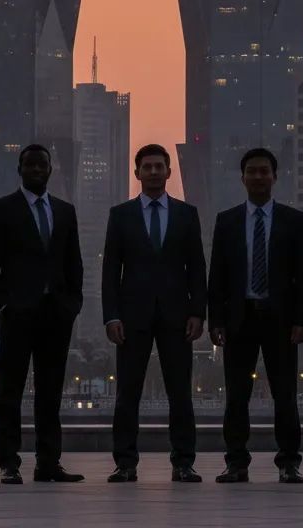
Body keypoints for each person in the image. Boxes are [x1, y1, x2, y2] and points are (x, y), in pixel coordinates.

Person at [0, 144, 84, 484]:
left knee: (51, 392)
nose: (37, 169)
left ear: (51, 169)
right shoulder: (1, 209)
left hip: (56, 314)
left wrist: (72, 304)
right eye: (30, 164)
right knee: (10, 391)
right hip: (18, 314)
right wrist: (3, 304)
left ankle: (48, 463)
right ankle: (9, 463)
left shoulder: (65, 211)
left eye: (42, 164)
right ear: (19, 169)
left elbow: (74, 263)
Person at [102, 144, 207, 483]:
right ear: (137, 173)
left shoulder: (186, 214)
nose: (152, 171)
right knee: (127, 393)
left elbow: (197, 269)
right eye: (146, 166)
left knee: (180, 393)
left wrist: (197, 313)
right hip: (132, 317)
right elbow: (110, 272)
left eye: (159, 166)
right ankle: (125, 463)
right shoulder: (121, 215)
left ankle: (183, 462)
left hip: (178, 317)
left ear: (168, 172)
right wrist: (111, 316)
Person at [208, 147, 303, 483]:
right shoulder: (227, 221)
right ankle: (236, 462)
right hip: (240, 318)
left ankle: (289, 462)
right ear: (242, 178)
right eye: (251, 171)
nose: (257, 176)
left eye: (264, 171)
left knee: (285, 396)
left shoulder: (292, 220)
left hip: (280, 321)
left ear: (274, 176)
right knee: (236, 396)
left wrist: (302, 321)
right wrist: (216, 320)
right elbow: (218, 276)